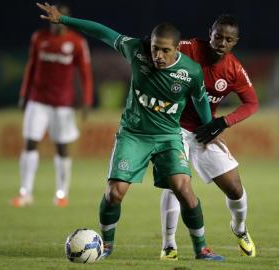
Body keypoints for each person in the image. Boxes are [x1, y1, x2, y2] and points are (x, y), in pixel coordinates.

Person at [37, 2, 225, 261]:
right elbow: (104, 32)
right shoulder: (136, 50)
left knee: (184, 190)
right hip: (133, 134)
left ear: (176, 49)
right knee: (114, 192)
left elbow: (202, 101)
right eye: (155, 48)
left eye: (165, 51)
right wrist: (65, 21)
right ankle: (106, 246)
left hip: (169, 137)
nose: (158, 55)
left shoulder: (190, 71)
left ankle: (201, 249)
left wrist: (209, 130)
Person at [159, 14, 259, 260]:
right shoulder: (189, 48)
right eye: (218, 36)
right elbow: (157, 47)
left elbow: (251, 103)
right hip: (173, 127)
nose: (221, 43)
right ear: (210, 33)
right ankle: (169, 244)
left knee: (235, 189)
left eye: (228, 39)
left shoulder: (234, 69)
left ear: (235, 42)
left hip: (204, 131)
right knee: (176, 185)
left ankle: (240, 228)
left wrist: (221, 123)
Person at [11, 3, 93, 208]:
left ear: (66, 18)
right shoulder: (39, 38)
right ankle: (25, 192)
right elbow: (31, 67)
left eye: (60, 17)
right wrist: (23, 93)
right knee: (30, 143)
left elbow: (85, 73)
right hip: (37, 100)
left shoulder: (77, 41)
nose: (56, 21)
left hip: (63, 104)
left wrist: (87, 101)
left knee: (62, 147)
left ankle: (61, 193)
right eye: (52, 17)